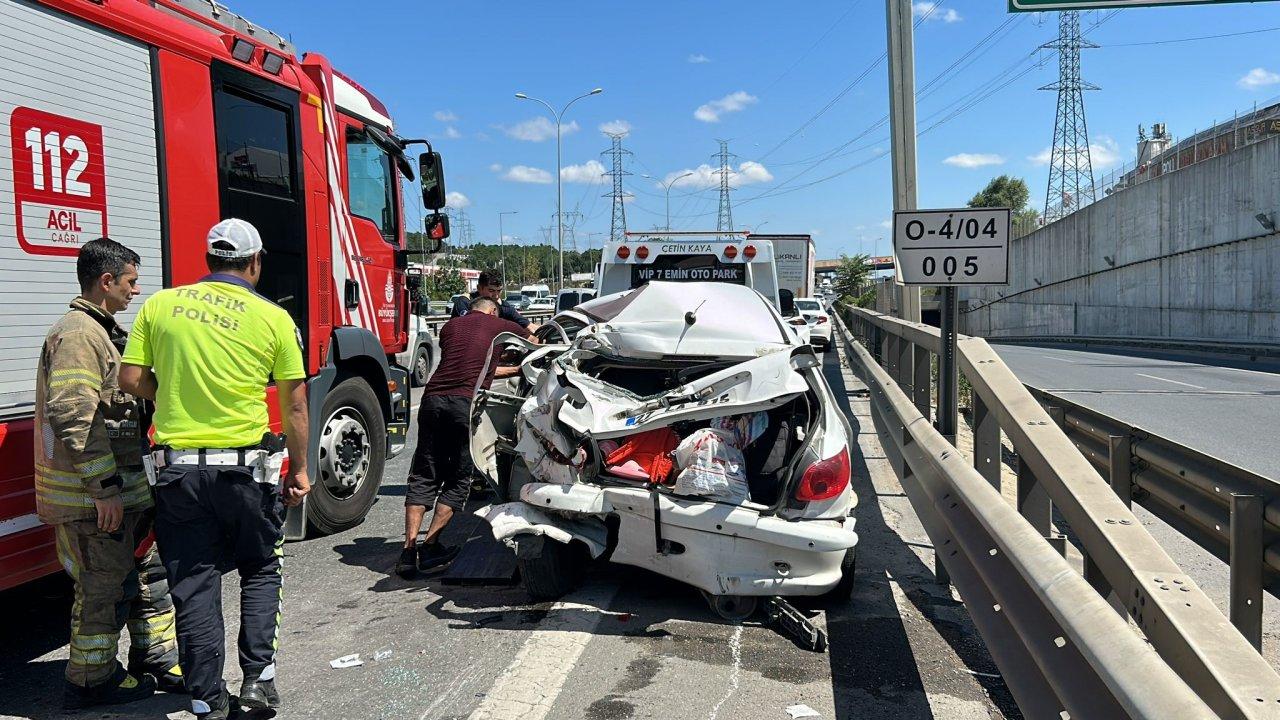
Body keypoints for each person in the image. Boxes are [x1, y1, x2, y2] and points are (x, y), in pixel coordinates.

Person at [119, 218, 311, 720]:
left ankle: (206, 696)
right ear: (255, 262)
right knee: (261, 567)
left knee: (194, 580)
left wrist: (173, 393)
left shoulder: (159, 305)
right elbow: (295, 406)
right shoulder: (272, 317)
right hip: (247, 471)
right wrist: (300, 470)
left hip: (178, 473)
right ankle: (257, 682)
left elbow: (131, 378)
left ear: (209, 260)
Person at [35, 238, 182, 709]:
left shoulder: (102, 332)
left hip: (127, 490)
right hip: (92, 497)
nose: (135, 291)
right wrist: (103, 489)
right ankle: (90, 680)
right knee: (102, 588)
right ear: (106, 281)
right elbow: (75, 414)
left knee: (145, 575)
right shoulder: (79, 335)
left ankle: (154, 656)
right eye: (131, 282)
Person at [397, 297, 535, 578]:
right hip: (463, 405)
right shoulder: (500, 324)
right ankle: (431, 545)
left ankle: (409, 552)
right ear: (493, 310)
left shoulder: (450, 327)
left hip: (432, 401)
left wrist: (514, 369)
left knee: (425, 473)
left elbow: (472, 366)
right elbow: (534, 341)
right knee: (459, 476)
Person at [449, 270, 534, 328]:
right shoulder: (465, 302)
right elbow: (476, 325)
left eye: (499, 291)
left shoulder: (502, 304)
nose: (496, 296)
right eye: (491, 290)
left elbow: (523, 325)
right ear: (479, 288)